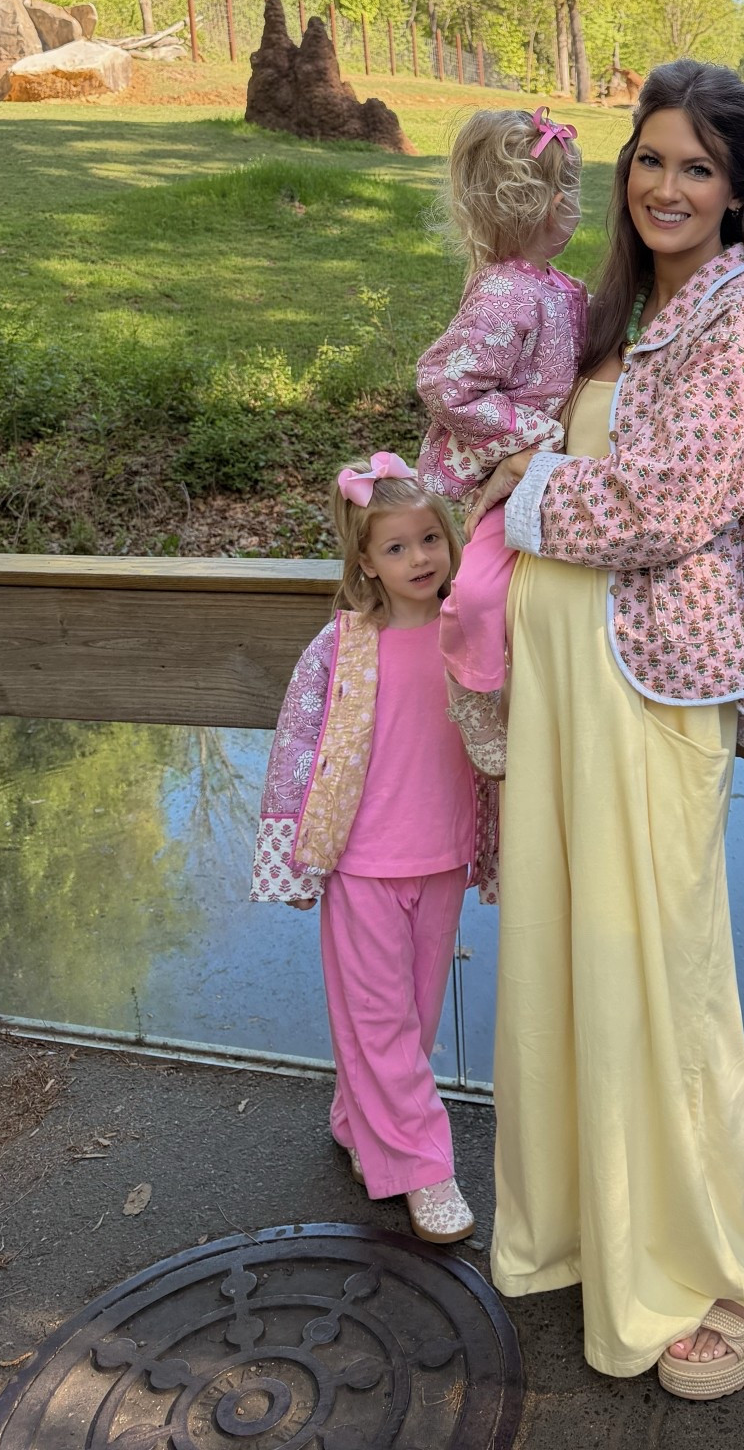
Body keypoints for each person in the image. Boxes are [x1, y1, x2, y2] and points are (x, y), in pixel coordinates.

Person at [468, 60, 744, 1400]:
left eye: (698, 168)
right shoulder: (618, 314)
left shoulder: (742, 330)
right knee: (568, 960)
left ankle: (721, 1264)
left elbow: (662, 508)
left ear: (737, 197)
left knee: (659, 981)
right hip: (565, 692)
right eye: (650, 160)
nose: (667, 186)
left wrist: (528, 492)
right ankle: (585, 1227)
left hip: (650, 692)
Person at [250, 453, 483, 1245]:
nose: (420, 558)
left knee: (411, 1020)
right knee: (381, 1018)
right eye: (396, 547)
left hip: (444, 856)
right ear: (364, 563)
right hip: (360, 862)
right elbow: (296, 744)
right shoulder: (342, 646)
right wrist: (291, 854)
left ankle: (361, 1120)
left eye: (430, 539)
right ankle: (425, 1167)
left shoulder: (470, 631)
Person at [415, 105, 588, 779]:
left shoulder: (558, 288)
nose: (576, 206)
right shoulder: (505, 294)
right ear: (534, 206)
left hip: (537, 478)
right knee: (480, 592)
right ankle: (475, 697)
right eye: (565, 192)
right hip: (493, 480)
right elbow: (444, 382)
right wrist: (535, 435)